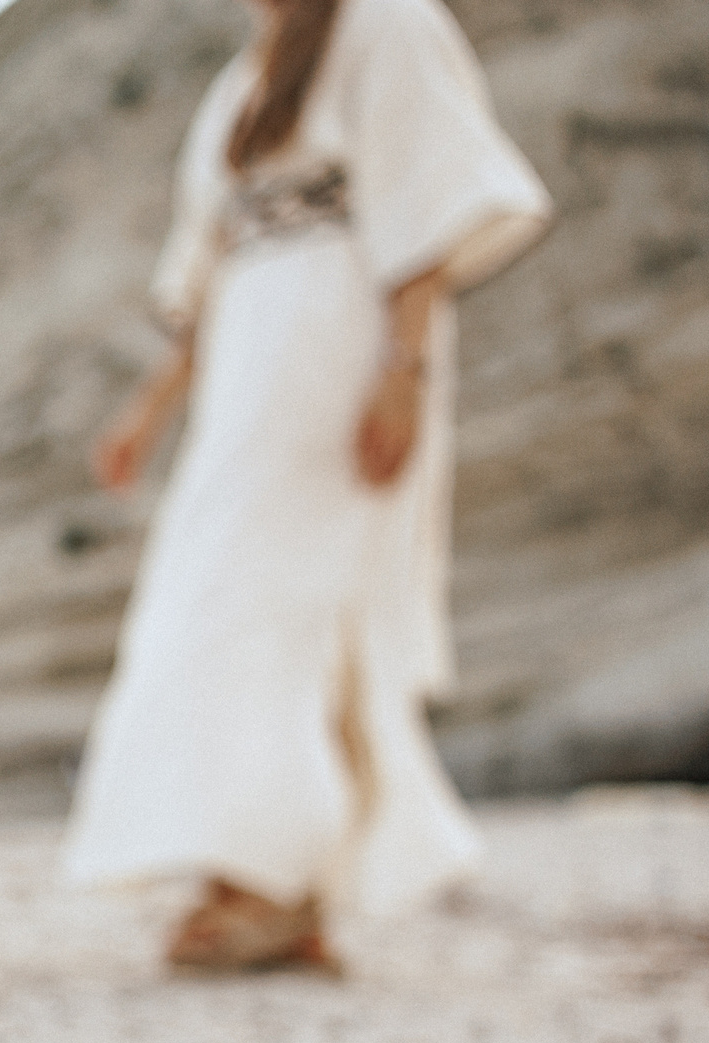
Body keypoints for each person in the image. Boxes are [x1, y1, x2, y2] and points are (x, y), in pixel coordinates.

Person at [63, 0, 549, 972]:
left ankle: (274, 885)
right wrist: (148, 412)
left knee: (292, 606)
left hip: (339, 340)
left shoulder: (387, 24)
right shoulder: (241, 81)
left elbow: (423, 205)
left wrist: (403, 372)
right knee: (207, 600)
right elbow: (211, 258)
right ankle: (250, 869)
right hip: (250, 357)